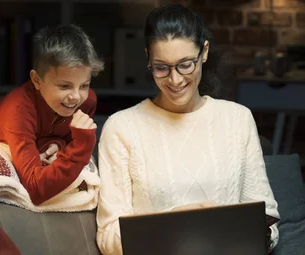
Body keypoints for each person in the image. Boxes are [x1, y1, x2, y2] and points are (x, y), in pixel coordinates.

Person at [95, 4, 280, 254]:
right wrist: (172, 225)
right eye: (161, 67)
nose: (175, 80)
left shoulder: (237, 120)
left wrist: (256, 234)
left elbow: (267, 220)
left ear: (204, 52)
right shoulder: (122, 128)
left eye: (185, 65)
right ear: (148, 56)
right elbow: (108, 237)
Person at [0, 24, 104, 205]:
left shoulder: (87, 102)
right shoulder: (18, 110)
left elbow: (63, 137)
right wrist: (83, 143)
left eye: (84, 85)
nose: (76, 97)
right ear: (37, 80)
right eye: (64, 86)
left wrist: (57, 143)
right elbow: (35, 189)